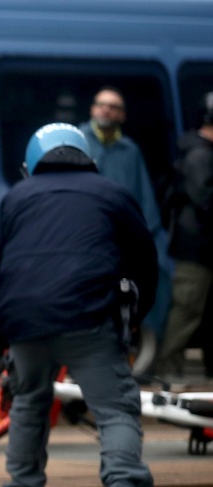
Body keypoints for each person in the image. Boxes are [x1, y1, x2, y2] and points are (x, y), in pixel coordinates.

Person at [0, 123, 157, 487]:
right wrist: (132, 320)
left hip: (25, 323)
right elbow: (144, 263)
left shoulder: (16, 198)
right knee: (115, 409)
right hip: (89, 320)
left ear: (30, 165)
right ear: (87, 158)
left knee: (28, 402)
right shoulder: (112, 193)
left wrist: (9, 320)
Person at [78, 86, 173, 350]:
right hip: (85, 237)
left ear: (123, 115)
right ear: (92, 109)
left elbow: (144, 202)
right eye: (101, 104)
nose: (106, 109)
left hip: (119, 242)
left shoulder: (130, 151)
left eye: (113, 106)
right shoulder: (79, 142)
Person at [155, 92, 213, 382]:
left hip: (203, 249)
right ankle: (169, 370)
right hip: (197, 250)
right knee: (187, 310)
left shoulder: (198, 152)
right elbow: (206, 200)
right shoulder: (200, 155)